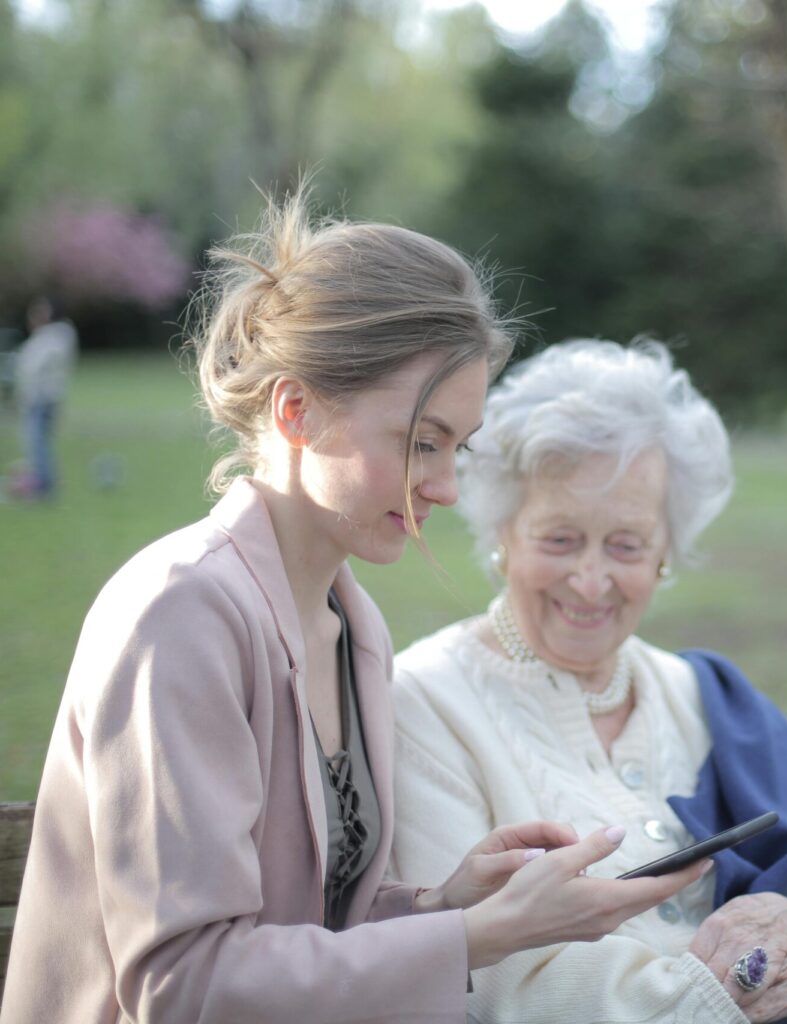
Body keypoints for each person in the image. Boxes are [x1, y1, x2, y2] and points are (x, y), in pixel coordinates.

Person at [0, 197, 710, 1024]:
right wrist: (473, 938)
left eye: (457, 447)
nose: (445, 487)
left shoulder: (351, 624)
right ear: (296, 411)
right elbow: (184, 985)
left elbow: (307, 928)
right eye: (419, 442)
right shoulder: (180, 614)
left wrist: (446, 903)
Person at [389, 340, 787, 1024]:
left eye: (626, 545)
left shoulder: (704, 697)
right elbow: (490, 980)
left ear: (665, 553)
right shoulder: (425, 701)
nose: (590, 579)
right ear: (503, 535)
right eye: (558, 539)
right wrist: (721, 995)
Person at [10, 295, 78, 499]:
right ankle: (40, 482)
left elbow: (32, 367)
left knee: (37, 442)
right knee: (37, 442)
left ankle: (43, 485)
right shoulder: (51, 336)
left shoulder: (55, 336)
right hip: (41, 397)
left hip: (42, 398)